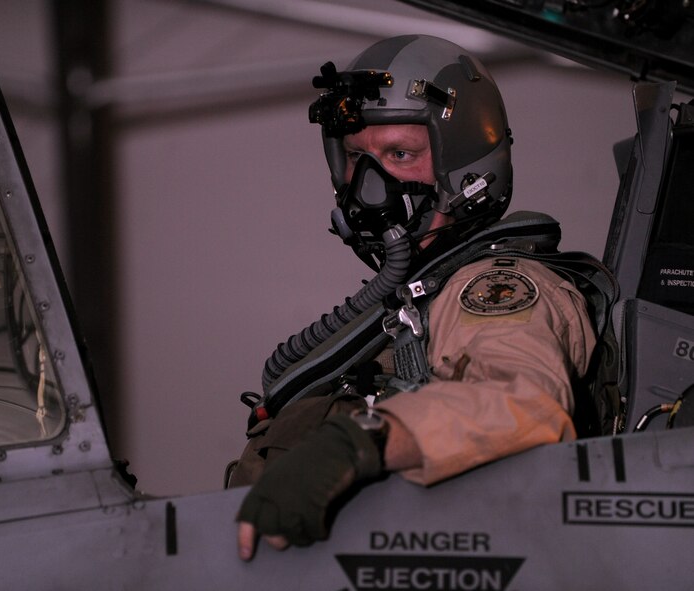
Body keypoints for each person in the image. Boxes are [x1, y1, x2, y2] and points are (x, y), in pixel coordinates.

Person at [230, 35, 608, 562]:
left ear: (465, 164)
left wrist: (359, 442)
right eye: (357, 157)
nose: (369, 184)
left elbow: (523, 402)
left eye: (400, 154)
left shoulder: (493, 285)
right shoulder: (411, 306)